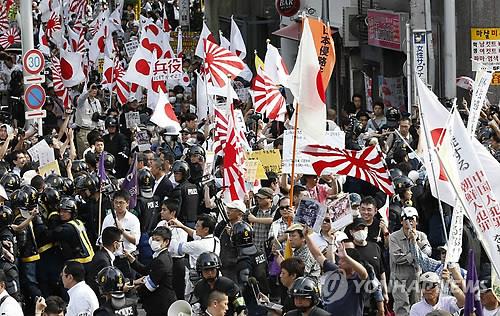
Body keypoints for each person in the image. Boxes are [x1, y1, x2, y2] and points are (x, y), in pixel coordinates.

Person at [304, 225, 368, 316]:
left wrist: (346, 257)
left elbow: (364, 273)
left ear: (352, 263)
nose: (339, 262)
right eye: (340, 259)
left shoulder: (358, 280)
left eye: (343, 260)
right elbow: (318, 255)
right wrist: (306, 237)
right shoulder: (335, 271)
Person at [125, 226, 176, 316]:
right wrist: (132, 260)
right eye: (153, 239)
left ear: (166, 242)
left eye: (157, 240)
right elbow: (146, 270)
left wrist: (134, 289)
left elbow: (150, 285)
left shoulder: (162, 260)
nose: (154, 242)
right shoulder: (159, 256)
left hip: (160, 305)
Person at [389, 206, 432, 315]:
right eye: (406, 219)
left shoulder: (422, 236)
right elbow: (397, 258)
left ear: (416, 221)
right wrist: (415, 253)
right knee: (402, 308)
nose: (409, 222)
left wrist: (416, 241)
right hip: (399, 279)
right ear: (401, 221)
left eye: (412, 219)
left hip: (416, 277)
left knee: (416, 306)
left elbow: (427, 253)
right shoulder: (394, 237)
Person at [168, 214, 220, 298]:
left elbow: (175, 248)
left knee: (195, 305)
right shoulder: (215, 240)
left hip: (198, 281)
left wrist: (168, 232)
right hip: (213, 278)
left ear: (206, 229)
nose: (195, 227)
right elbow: (194, 234)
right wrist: (182, 226)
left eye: (198, 226)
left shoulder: (197, 245)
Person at [100, 190, 141, 280]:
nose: (118, 205)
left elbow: (135, 241)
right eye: (116, 202)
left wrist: (122, 231)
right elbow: (102, 238)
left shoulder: (133, 219)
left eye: (121, 203)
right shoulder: (108, 218)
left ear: (127, 203)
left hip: (128, 258)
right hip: (113, 258)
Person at [156, 199, 188, 300]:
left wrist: (166, 235)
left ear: (173, 212)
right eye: (161, 209)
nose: (161, 212)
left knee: (178, 290)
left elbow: (177, 248)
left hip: (176, 262)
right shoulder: (161, 224)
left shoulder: (181, 229)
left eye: (164, 210)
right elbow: (152, 241)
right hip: (162, 259)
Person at [214, 199, 245, 283]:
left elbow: (244, 249)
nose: (228, 211)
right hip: (222, 265)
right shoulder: (223, 224)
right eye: (228, 209)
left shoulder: (245, 228)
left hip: (235, 268)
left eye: (231, 210)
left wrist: (232, 235)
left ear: (240, 213)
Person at [86, 226, 123, 295]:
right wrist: (123, 287)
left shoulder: (103, 255)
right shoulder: (103, 261)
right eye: (121, 242)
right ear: (115, 244)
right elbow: (105, 287)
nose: (121, 245)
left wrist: (133, 282)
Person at [247, 187, 276, 251]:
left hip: (268, 249)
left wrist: (255, 219)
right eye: (257, 197)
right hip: (254, 247)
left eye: (261, 198)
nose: (258, 199)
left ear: (270, 199)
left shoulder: (275, 210)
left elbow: (272, 220)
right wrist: (247, 202)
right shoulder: (254, 209)